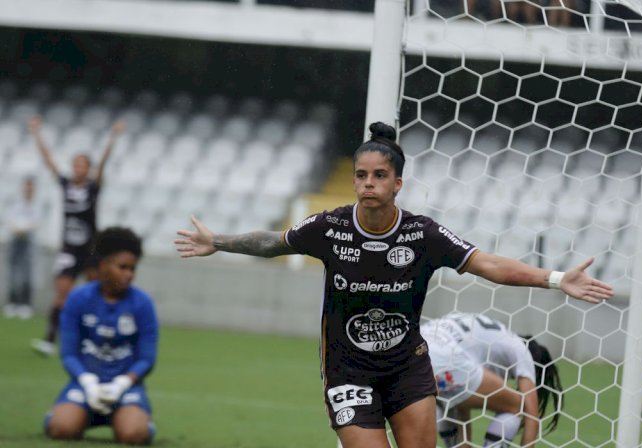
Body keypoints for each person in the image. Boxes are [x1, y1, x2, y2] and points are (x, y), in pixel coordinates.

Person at [174, 122, 613, 448]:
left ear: (397, 183)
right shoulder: (331, 227)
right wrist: (219, 242)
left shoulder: (423, 234)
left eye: (379, 175)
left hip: (408, 370)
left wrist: (555, 279)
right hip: (349, 372)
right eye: (362, 175)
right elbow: (274, 242)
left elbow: (488, 263)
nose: (369, 183)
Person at [45, 226, 158, 445]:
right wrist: (88, 382)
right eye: (122, 267)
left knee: (133, 435)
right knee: (61, 428)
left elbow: (147, 359)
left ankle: (141, 420)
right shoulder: (78, 299)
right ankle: (62, 413)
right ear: (104, 265)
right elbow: (68, 354)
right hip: (84, 385)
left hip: (126, 389)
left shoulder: (142, 303)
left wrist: (122, 384)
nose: (129, 274)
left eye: (133, 268)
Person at [28, 116, 126, 356]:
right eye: (76, 165)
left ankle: (97, 340)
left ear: (88, 169)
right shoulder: (65, 185)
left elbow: (103, 164)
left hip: (91, 251)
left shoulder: (93, 188)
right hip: (68, 249)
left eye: (83, 165)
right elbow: (49, 161)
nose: (79, 169)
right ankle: (50, 340)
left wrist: (112, 138)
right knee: (62, 293)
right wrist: (36, 134)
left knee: (96, 295)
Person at [421, 312, 563, 447]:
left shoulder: (493, 333)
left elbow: (462, 401)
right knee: (518, 406)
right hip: (445, 358)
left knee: (453, 401)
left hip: (417, 348)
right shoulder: (521, 350)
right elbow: (532, 417)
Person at [4, 177, 40, 320]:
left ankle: (26, 303)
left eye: (30, 187)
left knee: (27, 272)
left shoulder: (37, 205)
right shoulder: (16, 204)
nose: (28, 189)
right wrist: (16, 229)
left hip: (29, 240)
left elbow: (37, 222)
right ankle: (13, 302)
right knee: (13, 271)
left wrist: (24, 230)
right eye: (26, 186)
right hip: (15, 239)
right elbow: (9, 219)